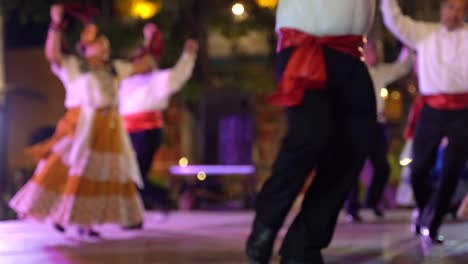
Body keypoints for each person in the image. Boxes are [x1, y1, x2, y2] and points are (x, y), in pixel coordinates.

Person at [246, 0, 376, 263]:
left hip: (351, 54)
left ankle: (304, 244)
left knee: (355, 144)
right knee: (309, 135)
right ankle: (266, 223)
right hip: (304, 47)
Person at [9, 4, 146, 237]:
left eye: (104, 43)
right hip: (81, 126)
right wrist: (55, 24)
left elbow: (143, 66)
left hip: (109, 129)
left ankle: (87, 222)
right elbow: (52, 54)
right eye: (97, 43)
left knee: (99, 174)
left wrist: (149, 43)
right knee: (69, 170)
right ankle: (65, 216)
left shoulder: (113, 68)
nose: (103, 46)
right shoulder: (75, 67)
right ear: (85, 48)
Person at [381, 0, 468, 244]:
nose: (455, 13)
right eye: (451, 7)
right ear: (442, 9)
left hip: (462, 111)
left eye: (461, 9)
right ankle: (425, 207)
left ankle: (434, 221)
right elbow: (395, 21)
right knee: (419, 169)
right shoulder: (424, 33)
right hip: (431, 109)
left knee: (451, 170)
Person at [119, 23, 198, 218]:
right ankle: (152, 204)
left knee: (135, 176)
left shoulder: (159, 79)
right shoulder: (125, 81)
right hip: (125, 132)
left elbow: (179, 75)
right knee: (130, 175)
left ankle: (157, 201)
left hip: (147, 131)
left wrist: (188, 55)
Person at [345, 43, 412, 222]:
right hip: (358, 124)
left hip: (377, 124)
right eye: (369, 51)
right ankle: (351, 207)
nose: (373, 55)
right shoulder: (352, 71)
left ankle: (371, 202)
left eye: (375, 51)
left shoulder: (381, 71)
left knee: (382, 166)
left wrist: (407, 46)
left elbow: (402, 67)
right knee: (353, 166)